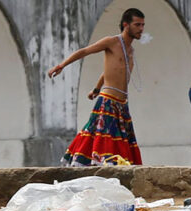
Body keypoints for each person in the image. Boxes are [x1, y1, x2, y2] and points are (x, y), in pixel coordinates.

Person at [50, 9, 145, 166]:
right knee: (102, 140)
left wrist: (96, 88)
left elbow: (110, 70)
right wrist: (62, 65)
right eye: (137, 25)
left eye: (142, 25)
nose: (141, 29)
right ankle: (81, 165)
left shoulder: (131, 50)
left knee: (118, 143)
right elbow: (85, 51)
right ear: (126, 25)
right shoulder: (112, 42)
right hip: (108, 101)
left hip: (122, 104)